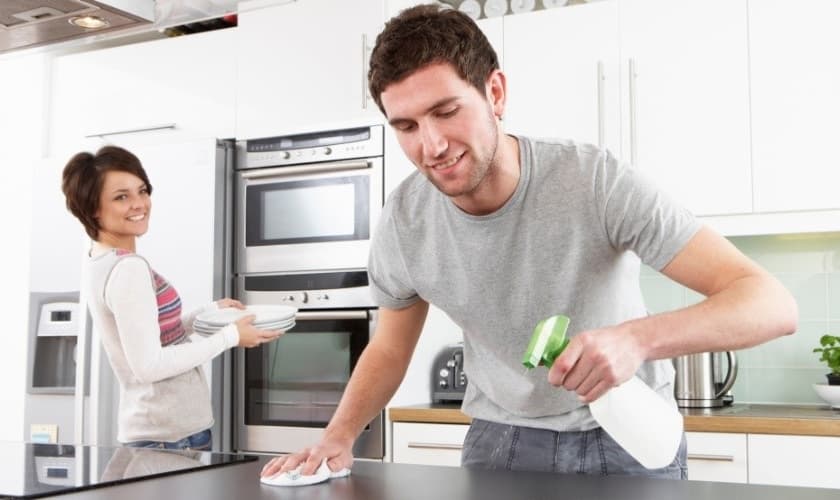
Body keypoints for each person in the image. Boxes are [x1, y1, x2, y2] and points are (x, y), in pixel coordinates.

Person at [261, 4, 798, 479]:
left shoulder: (593, 181)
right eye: (406, 126)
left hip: (627, 435)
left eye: (446, 112)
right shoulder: (405, 221)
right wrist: (339, 434)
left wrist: (635, 340)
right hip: (500, 442)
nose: (432, 145)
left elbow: (770, 304)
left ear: (495, 92)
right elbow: (389, 346)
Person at [62, 145, 283, 450]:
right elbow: (149, 365)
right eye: (121, 197)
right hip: (170, 436)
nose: (140, 204)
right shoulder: (128, 269)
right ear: (93, 208)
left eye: (142, 191)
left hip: (161, 431)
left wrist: (204, 313)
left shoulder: (99, 258)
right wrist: (230, 336)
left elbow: (147, 335)